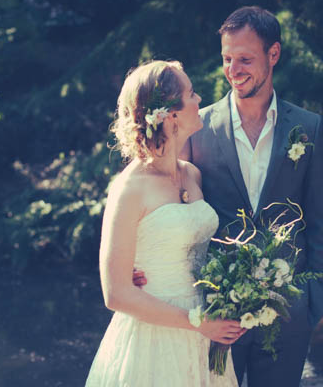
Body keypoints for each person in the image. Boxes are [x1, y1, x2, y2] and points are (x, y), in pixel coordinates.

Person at [134, 6, 323, 387]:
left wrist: (313, 299)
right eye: (227, 59)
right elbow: (166, 199)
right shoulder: (196, 126)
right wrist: (140, 259)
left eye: (245, 59)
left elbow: (321, 218)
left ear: (273, 54)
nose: (234, 70)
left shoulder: (307, 127)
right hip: (215, 308)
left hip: (289, 309)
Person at [85, 60, 245, 386]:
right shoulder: (130, 188)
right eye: (192, 93)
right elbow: (115, 293)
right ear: (170, 114)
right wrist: (198, 323)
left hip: (204, 334)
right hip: (154, 337)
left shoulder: (192, 173)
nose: (200, 99)